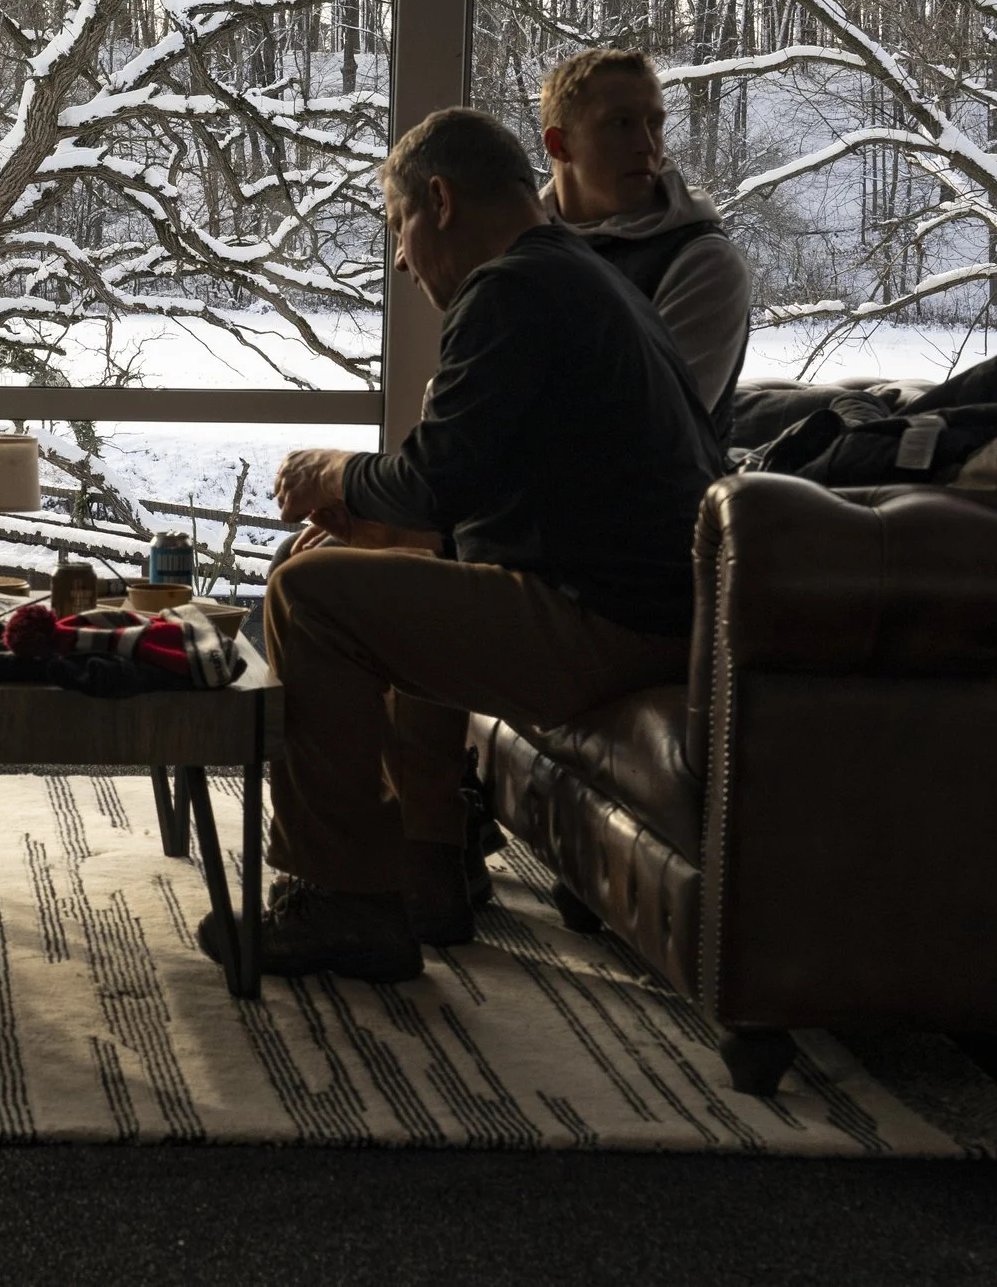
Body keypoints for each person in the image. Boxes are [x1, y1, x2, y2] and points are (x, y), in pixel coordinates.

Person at [214, 108, 725, 984]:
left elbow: (435, 478)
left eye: (396, 228)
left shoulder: (510, 289)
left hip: (606, 622)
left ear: (439, 200)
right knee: (384, 572)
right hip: (656, 608)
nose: (403, 260)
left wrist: (337, 476)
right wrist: (379, 526)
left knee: (312, 599)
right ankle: (425, 875)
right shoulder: (581, 277)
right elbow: (482, 492)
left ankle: (341, 901)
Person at [538, 48, 753, 439]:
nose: (647, 145)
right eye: (620, 124)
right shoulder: (516, 248)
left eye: (654, 124)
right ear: (559, 145)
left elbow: (649, 435)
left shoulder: (702, 262)